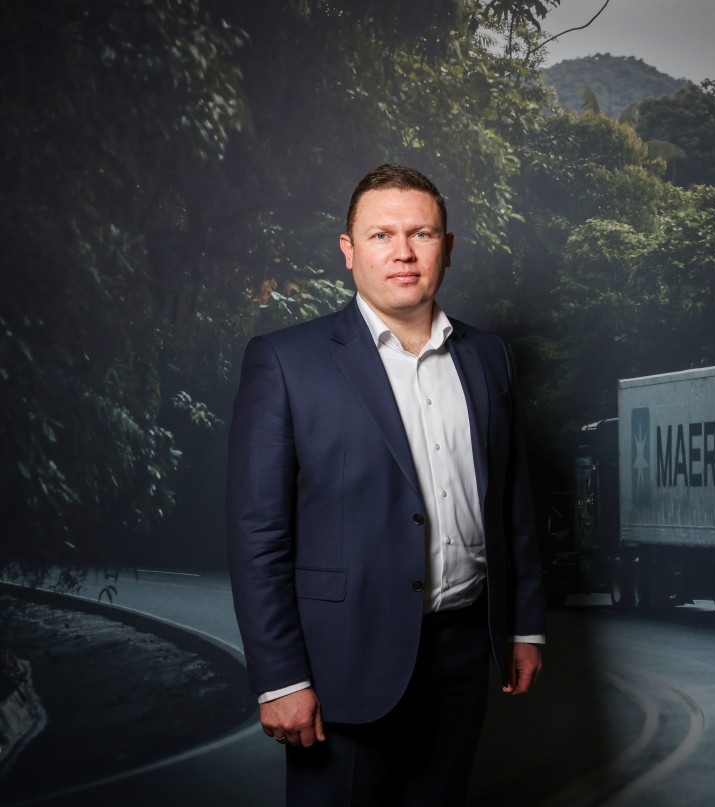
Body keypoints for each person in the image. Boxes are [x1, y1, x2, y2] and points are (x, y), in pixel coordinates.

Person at [226, 163, 545, 806]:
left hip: (461, 653)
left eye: (421, 233)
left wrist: (523, 627)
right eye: (380, 235)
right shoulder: (286, 361)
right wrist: (280, 678)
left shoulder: (488, 357)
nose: (402, 252)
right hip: (340, 665)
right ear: (348, 252)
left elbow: (512, 497)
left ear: (447, 249)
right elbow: (257, 531)